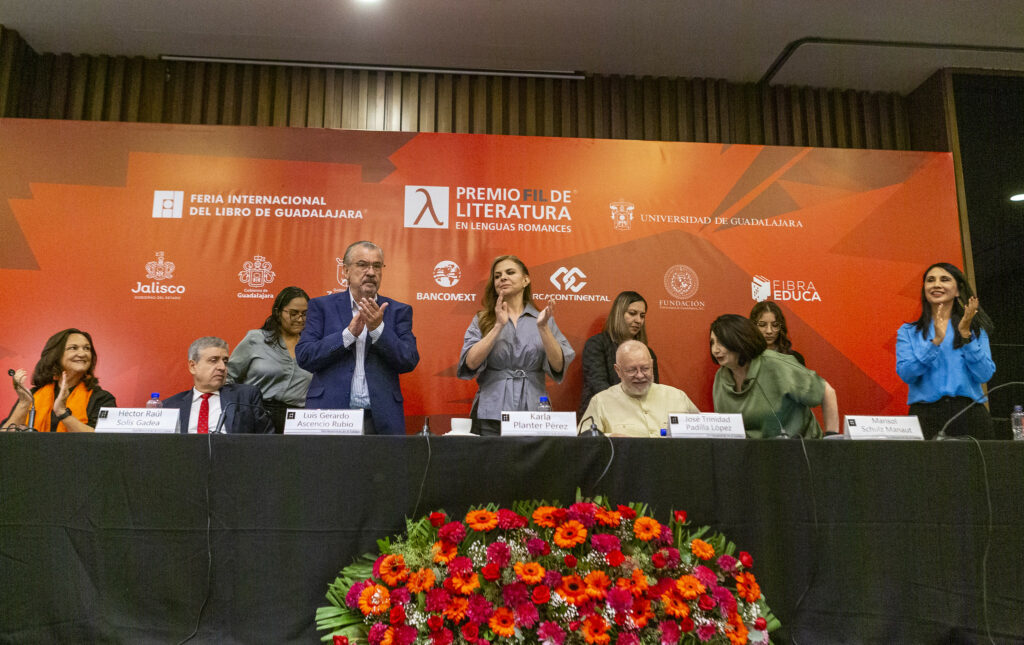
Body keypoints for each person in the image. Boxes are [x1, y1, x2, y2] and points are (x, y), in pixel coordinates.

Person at [296, 241, 419, 435]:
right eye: (362, 265)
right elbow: (305, 356)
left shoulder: (398, 311)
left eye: (377, 266)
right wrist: (347, 335)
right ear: (345, 271)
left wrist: (378, 330)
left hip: (380, 418)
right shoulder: (321, 307)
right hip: (331, 416)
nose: (370, 272)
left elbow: (408, 360)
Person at [458, 255, 575, 436]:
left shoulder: (543, 319)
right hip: (492, 411)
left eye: (510, 272)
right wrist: (498, 326)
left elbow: (558, 365)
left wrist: (543, 328)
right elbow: (471, 363)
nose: (502, 278)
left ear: (525, 280)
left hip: (534, 411)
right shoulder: (482, 319)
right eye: (497, 276)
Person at [896, 262, 995, 439]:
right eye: (930, 280)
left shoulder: (975, 329)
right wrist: (935, 342)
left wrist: (966, 335)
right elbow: (907, 374)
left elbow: (985, 375)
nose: (936, 285)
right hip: (925, 416)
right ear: (924, 289)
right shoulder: (908, 331)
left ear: (957, 290)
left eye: (945, 279)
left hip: (969, 414)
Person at [710, 314, 838, 438]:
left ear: (739, 340)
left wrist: (831, 439)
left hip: (802, 451)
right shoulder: (721, 378)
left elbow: (827, 392)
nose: (715, 350)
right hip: (754, 454)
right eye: (712, 343)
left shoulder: (775, 365)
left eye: (721, 342)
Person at [228, 286, 313, 433]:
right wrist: (237, 410)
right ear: (278, 312)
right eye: (293, 313)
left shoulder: (312, 347)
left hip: (296, 423)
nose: (300, 319)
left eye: (305, 314)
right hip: (255, 416)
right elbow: (228, 377)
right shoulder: (256, 339)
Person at [2, 328, 116, 432]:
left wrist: (63, 413)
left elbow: (102, 442)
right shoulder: (33, 396)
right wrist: (24, 403)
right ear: (56, 355)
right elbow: (5, 441)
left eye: (87, 348)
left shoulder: (102, 398)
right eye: (73, 348)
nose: (82, 354)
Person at [579, 340, 697, 437]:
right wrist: (610, 438)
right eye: (632, 370)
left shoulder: (677, 397)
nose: (640, 375)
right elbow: (584, 442)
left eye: (645, 368)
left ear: (652, 365)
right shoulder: (600, 402)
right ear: (618, 371)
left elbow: (704, 435)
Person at [164, 337, 275, 434]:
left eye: (225, 362)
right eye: (213, 360)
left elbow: (267, 440)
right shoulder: (169, 405)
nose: (222, 367)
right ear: (193, 366)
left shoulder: (246, 396)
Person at [578, 291, 660, 416]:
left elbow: (652, 390)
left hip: (638, 416)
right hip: (601, 415)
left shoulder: (648, 353)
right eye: (632, 313)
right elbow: (598, 386)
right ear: (618, 314)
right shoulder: (596, 344)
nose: (638, 320)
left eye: (642, 315)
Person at [749, 300, 805, 365]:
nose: (769, 331)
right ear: (753, 326)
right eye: (762, 325)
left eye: (775, 325)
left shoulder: (795, 358)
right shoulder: (745, 358)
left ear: (781, 327)